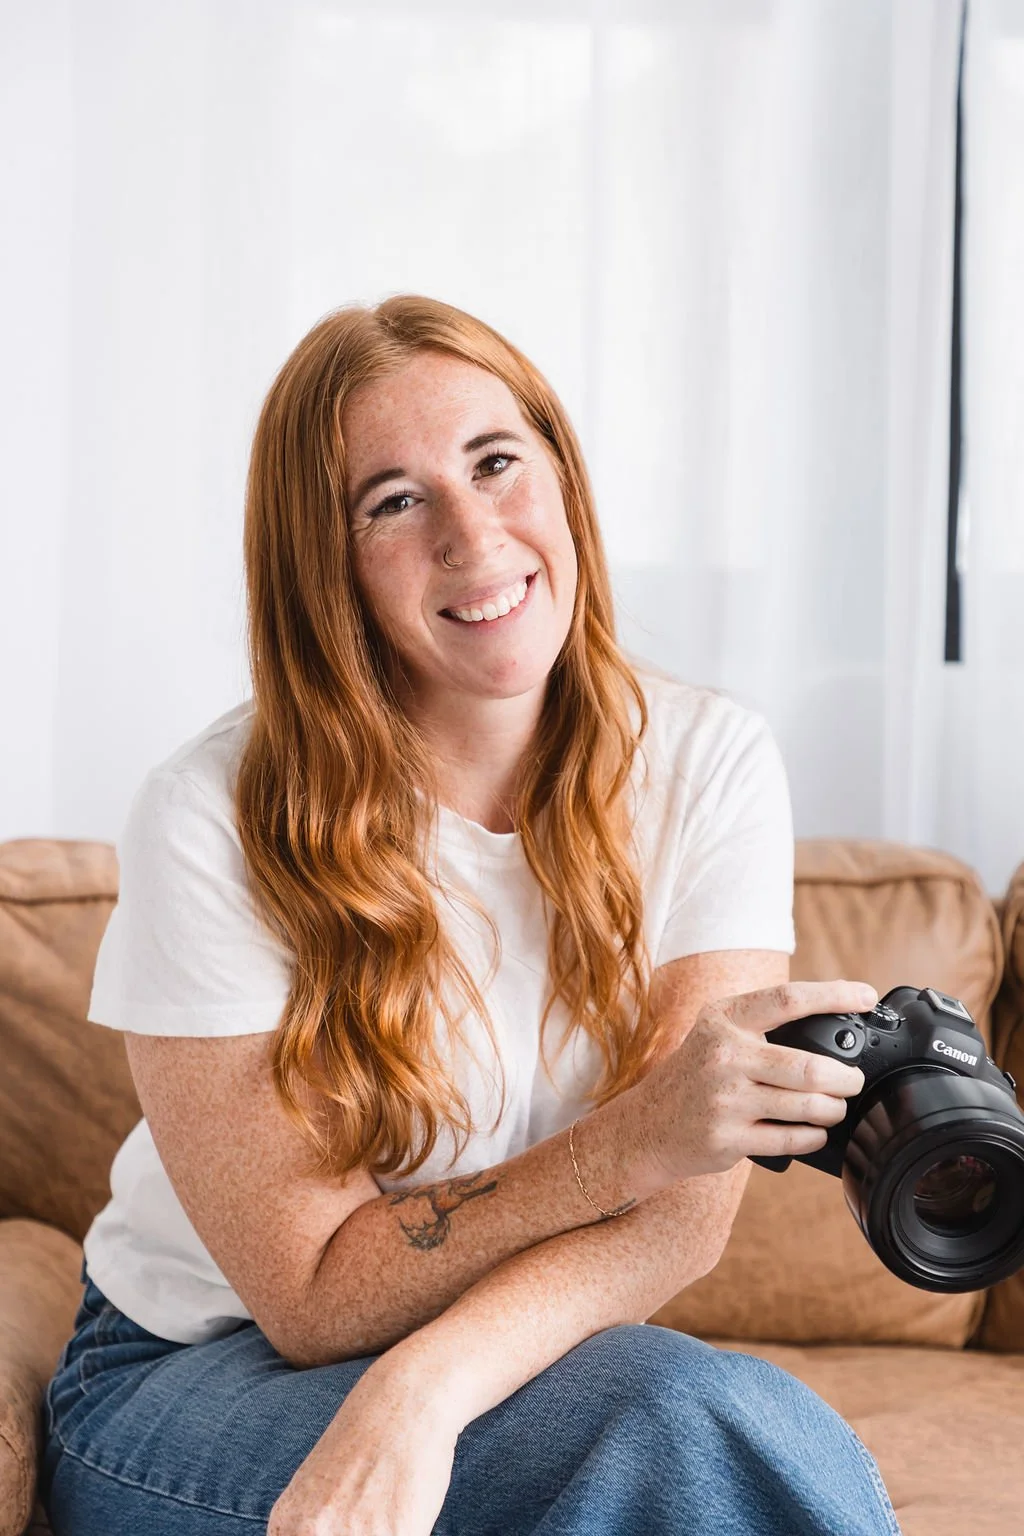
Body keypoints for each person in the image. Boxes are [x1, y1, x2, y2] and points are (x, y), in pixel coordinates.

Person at [40, 294, 903, 1536]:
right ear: (324, 562)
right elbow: (312, 1299)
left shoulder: (709, 759)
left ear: (558, 476)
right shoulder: (208, 816)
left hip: (496, 1366)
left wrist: (427, 1388)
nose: (471, 533)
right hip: (190, 1377)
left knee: (678, 1421)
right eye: (392, 501)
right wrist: (630, 1140)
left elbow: (681, 1218)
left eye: (495, 462)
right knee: (664, 1425)